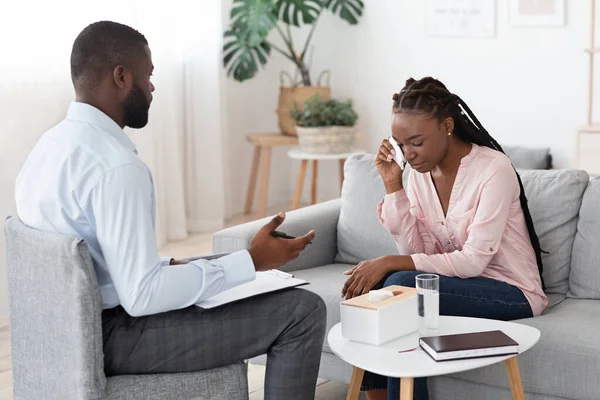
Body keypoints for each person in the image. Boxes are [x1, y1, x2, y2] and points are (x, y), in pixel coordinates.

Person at [15, 21, 326, 400]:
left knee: (203, 269)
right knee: (302, 311)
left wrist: (190, 268)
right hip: (111, 337)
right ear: (121, 77)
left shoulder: (49, 146)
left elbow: (95, 267)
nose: (152, 87)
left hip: (63, 334)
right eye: (148, 75)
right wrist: (251, 262)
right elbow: (141, 296)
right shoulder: (116, 167)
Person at [341, 77, 548, 400]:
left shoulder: (494, 170)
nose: (408, 154)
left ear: (447, 126)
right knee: (393, 292)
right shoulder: (420, 175)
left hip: (511, 291)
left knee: (399, 287)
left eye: (417, 142)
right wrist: (393, 185)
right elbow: (417, 251)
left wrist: (388, 263)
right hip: (456, 285)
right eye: (401, 144)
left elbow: (473, 260)